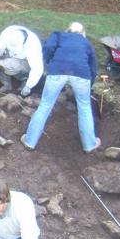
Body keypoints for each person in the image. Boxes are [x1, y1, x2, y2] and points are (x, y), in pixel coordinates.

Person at [21, 22, 100, 153]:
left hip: (57, 70)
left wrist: (50, 63)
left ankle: (29, 141)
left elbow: (48, 48)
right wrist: (89, 86)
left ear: (67, 30)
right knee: (85, 107)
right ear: (82, 33)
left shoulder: (58, 35)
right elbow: (93, 68)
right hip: (81, 73)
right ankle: (89, 145)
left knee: (45, 105)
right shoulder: (86, 43)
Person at [0, 25, 44, 96]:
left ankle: (25, 80)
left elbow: (37, 69)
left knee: (12, 65)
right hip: (11, 55)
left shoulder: (33, 46)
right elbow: (1, 44)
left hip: (26, 62)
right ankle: (7, 85)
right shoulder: (8, 32)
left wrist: (29, 86)